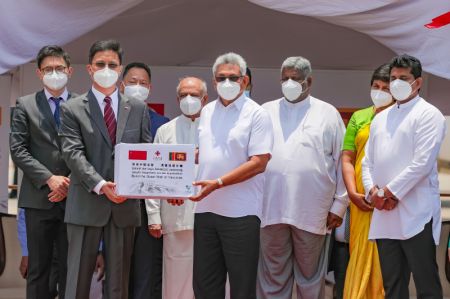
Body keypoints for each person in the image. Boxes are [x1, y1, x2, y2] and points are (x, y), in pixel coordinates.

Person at [60, 39, 152, 299]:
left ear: (120, 68)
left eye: (112, 64)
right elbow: (72, 153)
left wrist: (129, 187)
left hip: (123, 207)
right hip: (86, 204)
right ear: (89, 69)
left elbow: (144, 155)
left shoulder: (138, 108)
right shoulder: (72, 108)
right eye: (100, 64)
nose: (106, 69)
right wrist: (101, 185)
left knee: (118, 285)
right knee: (77, 282)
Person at [257, 56, 348, 299]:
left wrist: (340, 205)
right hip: (269, 209)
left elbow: (343, 161)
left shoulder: (328, 113)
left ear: (309, 81)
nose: (289, 83)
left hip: (313, 212)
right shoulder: (265, 111)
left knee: (310, 277)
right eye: (285, 78)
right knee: (272, 275)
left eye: (295, 79)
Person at [362, 54, 446, 299]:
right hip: (384, 214)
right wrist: (373, 193)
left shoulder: (429, 114)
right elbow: (368, 161)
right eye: (394, 78)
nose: (397, 82)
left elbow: (422, 164)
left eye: (404, 78)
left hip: (416, 213)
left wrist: (387, 192)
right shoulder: (380, 118)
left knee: (426, 284)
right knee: (393, 285)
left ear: (417, 83)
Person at [191, 52, 273, 299]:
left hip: (241, 213)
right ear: (214, 82)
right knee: (205, 285)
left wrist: (218, 183)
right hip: (205, 211)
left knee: (242, 286)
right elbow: (203, 153)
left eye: (233, 78)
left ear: (244, 81)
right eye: (221, 78)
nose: (227, 83)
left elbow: (259, 162)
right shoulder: (206, 112)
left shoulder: (257, 114)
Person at [10, 45, 75, 299]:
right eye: (48, 69)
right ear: (39, 73)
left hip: (75, 199)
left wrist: (69, 182)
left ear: (69, 70)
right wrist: (50, 179)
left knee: (72, 269)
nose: (54, 73)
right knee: (39, 271)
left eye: (59, 68)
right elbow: (18, 150)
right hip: (38, 199)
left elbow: (90, 151)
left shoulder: (83, 105)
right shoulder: (25, 105)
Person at [145, 76, 208, 299]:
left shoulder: (215, 129)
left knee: (212, 277)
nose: (189, 99)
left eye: (194, 95)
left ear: (205, 98)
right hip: (175, 216)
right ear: (177, 98)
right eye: (183, 95)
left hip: (211, 216)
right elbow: (154, 173)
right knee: (175, 279)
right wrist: (153, 216)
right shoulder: (165, 130)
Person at [340, 63, 393, 299]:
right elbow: (347, 158)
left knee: (386, 259)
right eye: (376, 86)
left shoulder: (401, 117)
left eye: (386, 88)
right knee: (359, 254)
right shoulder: (359, 117)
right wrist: (352, 193)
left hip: (390, 200)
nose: (380, 91)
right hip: (361, 200)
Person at [119, 62, 169, 299]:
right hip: (116, 205)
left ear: (150, 87)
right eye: (132, 82)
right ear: (121, 86)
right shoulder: (111, 119)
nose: (137, 87)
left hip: (149, 210)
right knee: (118, 273)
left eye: (142, 83)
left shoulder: (163, 123)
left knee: (147, 273)